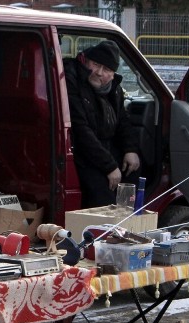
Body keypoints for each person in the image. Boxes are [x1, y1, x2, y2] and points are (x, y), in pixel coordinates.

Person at [64, 40, 141, 208]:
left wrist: (131, 149)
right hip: (83, 153)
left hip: (105, 150)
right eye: (96, 64)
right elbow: (81, 129)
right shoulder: (73, 81)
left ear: (113, 74)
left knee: (133, 175)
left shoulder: (114, 89)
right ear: (86, 62)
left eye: (106, 69)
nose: (99, 72)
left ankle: (129, 224)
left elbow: (122, 122)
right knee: (103, 198)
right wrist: (110, 166)